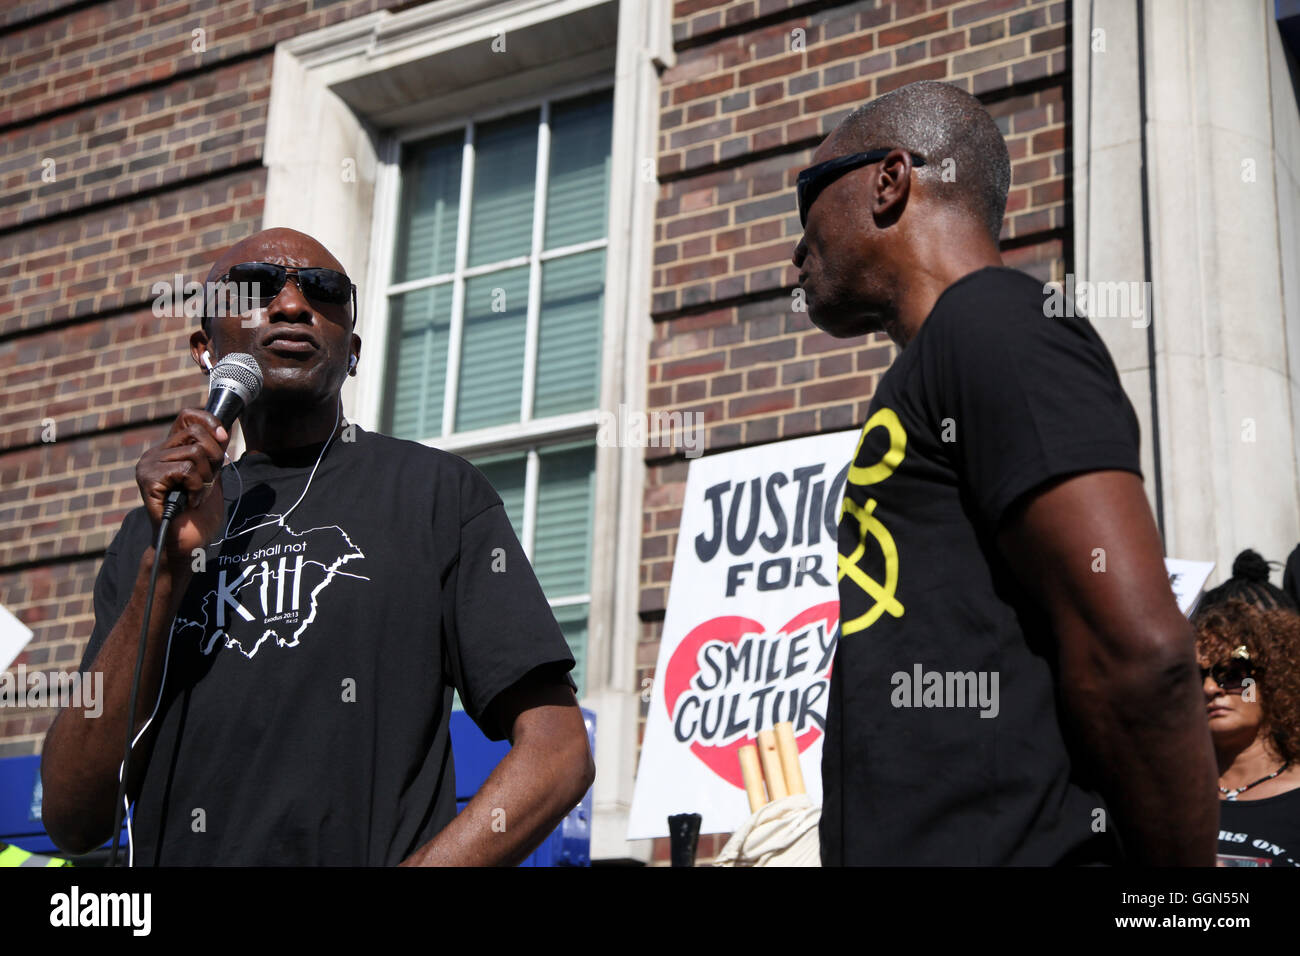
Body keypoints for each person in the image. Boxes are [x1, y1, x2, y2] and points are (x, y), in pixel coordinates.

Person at [39, 227, 594, 865]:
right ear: (205, 348)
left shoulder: (435, 495)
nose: (293, 304)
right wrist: (164, 572)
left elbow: (558, 753)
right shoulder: (152, 531)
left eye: (324, 291)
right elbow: (70, 815)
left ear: (352, 352)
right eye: (257, 287)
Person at [792, 80, 1217, 864]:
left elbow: (1141, 655)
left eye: (807, 195)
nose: (795, 249)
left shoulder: (996, 321)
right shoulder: (940, 362)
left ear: (891, 180)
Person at [1193, 599, 1300, 866]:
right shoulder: (1164, 794)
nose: (1209, 688)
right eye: (1195, 676)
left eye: (1231, 674)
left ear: (1271, 679)